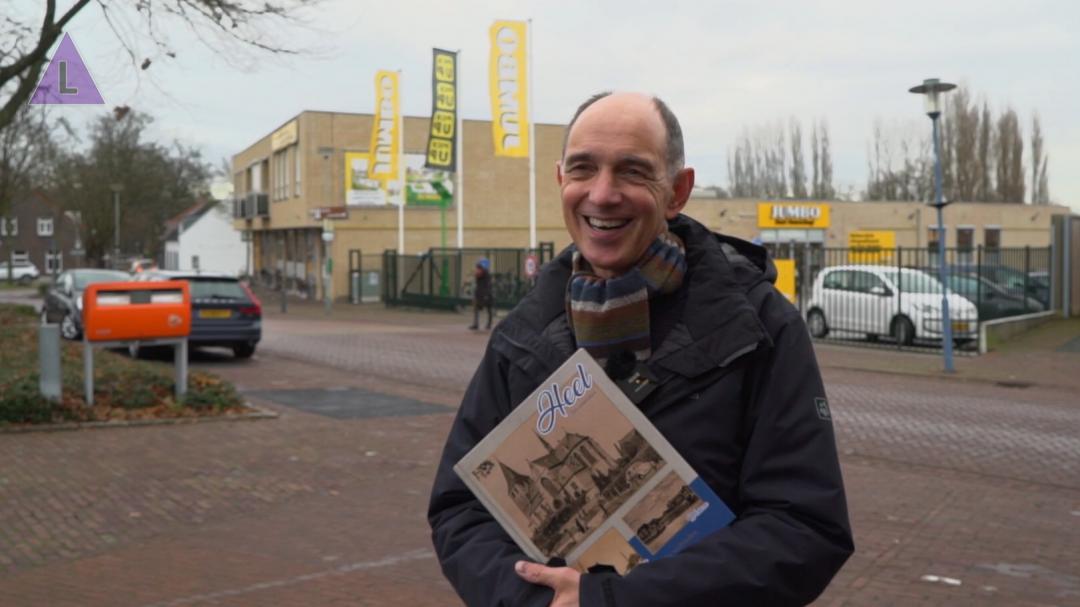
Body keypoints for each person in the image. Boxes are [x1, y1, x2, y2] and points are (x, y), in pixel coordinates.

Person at [429, 92, 853, 606]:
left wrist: (609, 600)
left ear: (677, 191)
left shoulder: (759, 327)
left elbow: (805, 527)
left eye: (632, 172)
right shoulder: (522, 333)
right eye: (584, 169)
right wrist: (538, 600)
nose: (603, 195)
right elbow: (460, 508)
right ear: (562, 181)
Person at [469, 258, 494, 330]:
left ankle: (488, 324)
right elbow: (477, 276)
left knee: (489, 309)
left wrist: (486, 294)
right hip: (480, 294)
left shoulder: (486, 275)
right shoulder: (481, 275)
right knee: (476, 308)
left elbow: (488, 285)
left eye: (479, 268)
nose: (477, 269)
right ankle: (476, 324)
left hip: (485, 294)